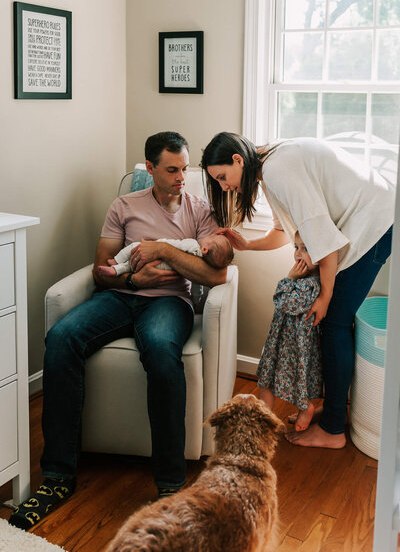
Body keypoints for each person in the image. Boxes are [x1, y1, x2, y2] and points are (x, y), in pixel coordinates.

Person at [9, 131, 227, 531]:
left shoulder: (199, 210)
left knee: (162, 352)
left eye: (185, 168)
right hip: (121, 296)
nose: (182, 177)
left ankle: (170, 483)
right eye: (172, 169)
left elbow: (217, 273)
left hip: (169, 303)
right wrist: (132, 282)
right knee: (60, 338)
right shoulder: (124, 206)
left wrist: (164, 253)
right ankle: (58, 477)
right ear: (150, 168)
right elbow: (100, 270)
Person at [201, 133, 394, 450]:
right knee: (330, 323)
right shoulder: (268, 168)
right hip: (366, 221)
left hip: (375, 222)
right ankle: (333, 409)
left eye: (222, 177)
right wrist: (247, 244)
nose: (224, 187)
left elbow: (322, 239)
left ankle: (333, 430)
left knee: (333, 323)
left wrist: (325, 296)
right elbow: (282, 233)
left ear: (237, 160)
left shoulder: (279, 169)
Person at [257, 231, 323, 432]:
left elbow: (285, 302)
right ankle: (263, 419)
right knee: (265, 380)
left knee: (297, 382)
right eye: (296, 247)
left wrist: (288, 278)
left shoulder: (311, 284)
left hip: (293, 346)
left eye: (306, 249)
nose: (298, 254)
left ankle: (306, 408)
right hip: (278, 340)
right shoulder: (302, 279)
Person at [98, 234, 233, 277]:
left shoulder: (192, 244)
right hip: (167, 269)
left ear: (204, 249)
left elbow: (172, 246)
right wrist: (197, 298)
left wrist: (157, 245)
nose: (209, 234)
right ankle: (115, 271)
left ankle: (116, 262)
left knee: (135, 248)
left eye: (211, 237)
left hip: (158, 256)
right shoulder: (198, 265)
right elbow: (198, 286)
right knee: (131, 266)